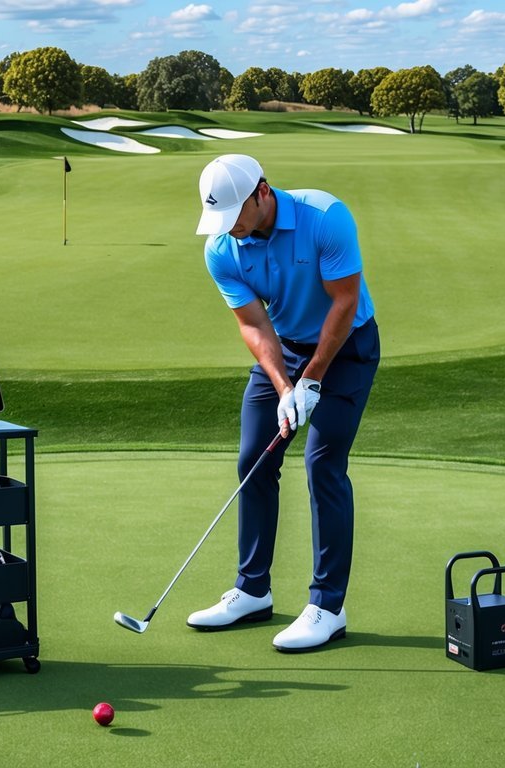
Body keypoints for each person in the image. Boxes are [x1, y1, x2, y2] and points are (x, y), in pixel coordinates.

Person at [187, 154, 380, 652]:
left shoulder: (325, 217)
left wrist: (313, 378)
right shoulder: (221, 249)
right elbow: (253, 324)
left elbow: (344, 300)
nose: (230, 228)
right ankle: (253, 590)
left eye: (236, 214)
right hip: (287, 349)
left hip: (349, 345)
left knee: (323, 464)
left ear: (263, 192)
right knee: (254, 458)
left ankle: (328, 606)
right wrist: (284, 386)